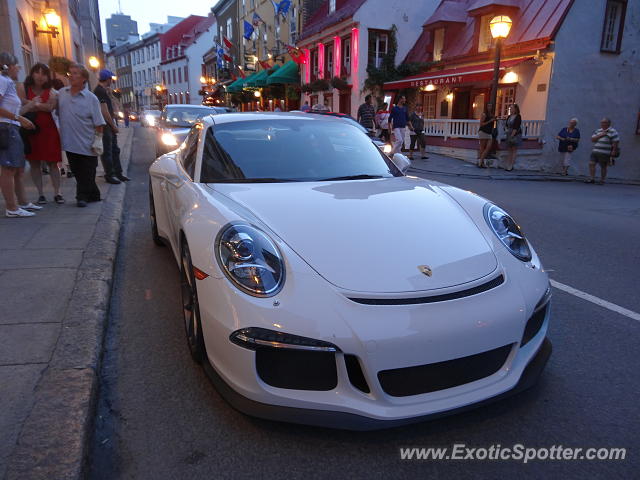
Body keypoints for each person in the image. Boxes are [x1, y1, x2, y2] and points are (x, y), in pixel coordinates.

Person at [56, 63, 105, 207]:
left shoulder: (91, 99)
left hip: (87, 142)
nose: (71, 76)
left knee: (88, 172)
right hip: (70, 142)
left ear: (84, 78)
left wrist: (97, 140)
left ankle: (81, 196)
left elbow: (99, 123)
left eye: (76, 73)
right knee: (78, 172)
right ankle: (94, 194)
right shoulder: (61, 94)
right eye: (70, 73)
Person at [0, 52, 41, 217]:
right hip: (6, 127)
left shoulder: (8, 82)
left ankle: (22, 202)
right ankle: (12, 207)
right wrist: (19, 118)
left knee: (17, 169)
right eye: (17, 65)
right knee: (9, 169)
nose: (19, 68)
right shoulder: (2, 81)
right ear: (8, 66)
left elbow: (13, 108)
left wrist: (23, 114)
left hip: (12, 126)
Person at [17, 63, 64, 204]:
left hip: (48, 130)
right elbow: (20, 107)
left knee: (53, 164)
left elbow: (50, 108)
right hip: (30, 130)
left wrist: (33, 104)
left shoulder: (52, 90)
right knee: (34, 163)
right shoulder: (24, 88)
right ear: (32, 74)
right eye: (37, 72)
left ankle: (57, 192)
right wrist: (35, 104)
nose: (40, 76)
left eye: (44, 73)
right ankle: (41, 194)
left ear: (47, 76)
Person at [94, 69, 128, 184]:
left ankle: (118, 173)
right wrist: (113, 125)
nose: (112, 81)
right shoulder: (99, 91)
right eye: (111, 79)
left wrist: (110, 94)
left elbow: (114, 105)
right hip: (105, 125)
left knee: (115, 150)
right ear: (107, 79)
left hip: (108, 124)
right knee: (107, 151)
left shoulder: (105, 91)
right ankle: (110, 174)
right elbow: (104, 111)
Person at [587, 117, 619, 185]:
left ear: (609, 123)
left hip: (605, 152)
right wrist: (601, 135)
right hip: (595, 151)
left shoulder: (613, 131)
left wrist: (614, 151)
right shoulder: (598, 131)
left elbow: (615, 142)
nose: (602, 124)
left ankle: (602, 180)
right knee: (591, 164)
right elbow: (592, 139)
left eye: (604, 122)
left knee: (603, 166)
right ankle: (592, 179)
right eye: (602, 122)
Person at [504, 103, 522, 171]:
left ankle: (511, 165)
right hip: (509, 133)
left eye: (512, 108)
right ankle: (508, 164)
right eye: (510, 108)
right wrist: (506, 130)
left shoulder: (518, 116)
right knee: (509, 150)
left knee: (514, 149)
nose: (510, 109)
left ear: (515, 109)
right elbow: (506, 125)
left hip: (515, 134)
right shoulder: (509, 116)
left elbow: (516, 127)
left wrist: (512, 135)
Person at [477, 103, 495, 168]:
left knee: (488, 147)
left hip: (489, 133)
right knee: (482, 148)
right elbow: (481, 124)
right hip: (483, 132)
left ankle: (480, 161)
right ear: (486, 107)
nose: (490, 107)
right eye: (488, 106)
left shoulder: (492, 115)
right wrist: (490, 121)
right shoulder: (484, 114)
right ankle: (481, 163)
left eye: (491, 106)